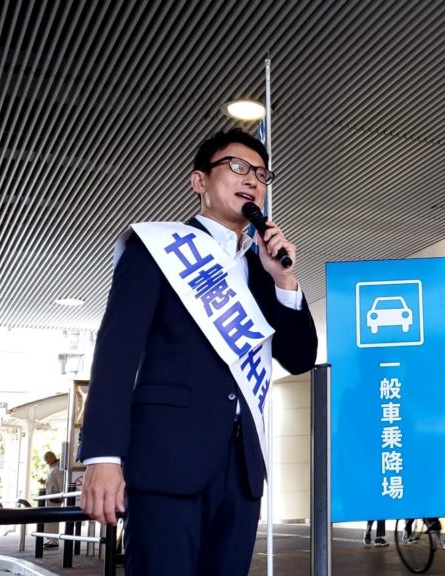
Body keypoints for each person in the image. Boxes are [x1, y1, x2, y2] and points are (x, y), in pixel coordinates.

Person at [78, 128, 318, 576]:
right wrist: (103, 456)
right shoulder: (157, 248)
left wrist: (285, 281)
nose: (252, 180)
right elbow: (116, 353)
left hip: (242, 471)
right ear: (199, 181)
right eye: (237, 167)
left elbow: (300, 357)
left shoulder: (263, 267)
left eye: (261, 174)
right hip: (167, 461)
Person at [38, 451, 64, 549]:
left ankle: (53, 541)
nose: (46, 462)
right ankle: (50, 539)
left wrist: (60, 495)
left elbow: (61, 482)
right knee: (49, 519)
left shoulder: (57, 468)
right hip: (51, 496)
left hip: (54, 496)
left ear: (51, 457)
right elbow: (54, 481)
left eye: (46, 459)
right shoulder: (54, 467)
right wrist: (44, 482)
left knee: (52, 519)